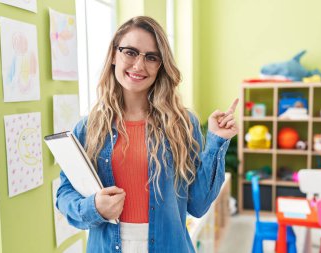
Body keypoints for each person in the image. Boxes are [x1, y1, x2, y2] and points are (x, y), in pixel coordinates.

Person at [56, 16, 239, 253]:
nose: (139, 65)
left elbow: (198, 205)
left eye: (151, 57)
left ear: (160, 65)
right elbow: (65, 194)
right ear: (114, 55)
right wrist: (94, 208)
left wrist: (217, 142)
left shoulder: (182, 124)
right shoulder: (89, 127)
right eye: (130, 52)